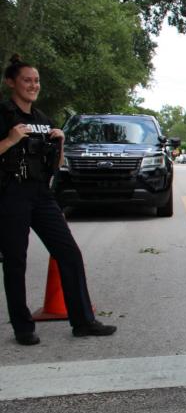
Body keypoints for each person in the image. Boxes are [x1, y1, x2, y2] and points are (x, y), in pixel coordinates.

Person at [0, 55, 116, 345]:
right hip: (11, 193)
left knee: (69, 253)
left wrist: (61, 142)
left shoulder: (42, 119)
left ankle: (83, 321)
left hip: (41, 193)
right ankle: (23, 327)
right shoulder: (3, 115)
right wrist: (10, 140)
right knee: (16, 261)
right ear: (11, 82)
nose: (33, 85)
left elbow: (55, 164)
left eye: (36, 80)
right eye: (27, 80)